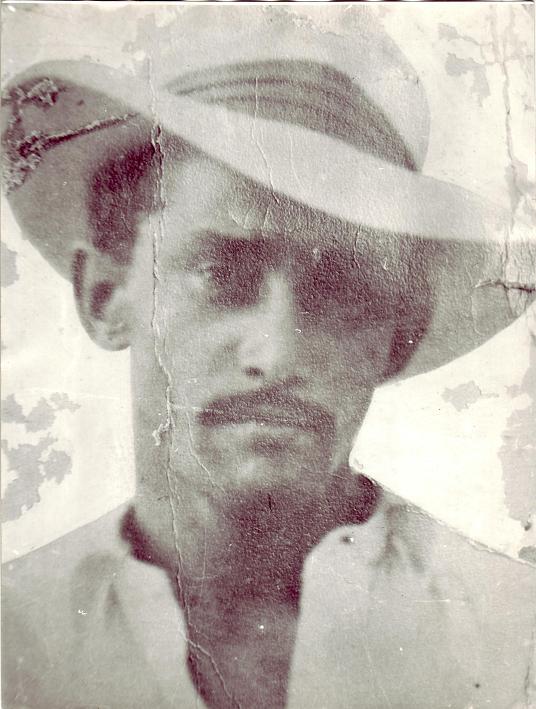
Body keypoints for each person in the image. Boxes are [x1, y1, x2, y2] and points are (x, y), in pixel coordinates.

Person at [2, 8, 535, 709]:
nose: (277, 353)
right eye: (221, 272)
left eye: (340, 285)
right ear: (106, 296)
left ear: (397, 333)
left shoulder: (511, 637)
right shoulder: (18, 639)